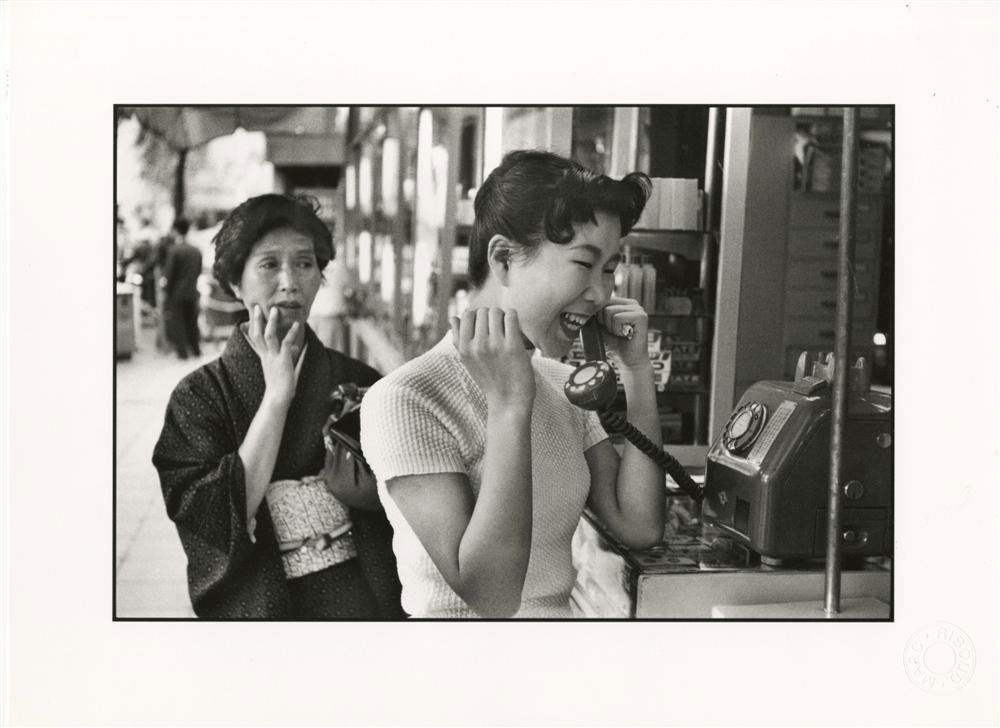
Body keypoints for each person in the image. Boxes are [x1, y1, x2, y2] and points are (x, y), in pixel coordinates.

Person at [360, 150, 665, 618]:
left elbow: (638, 525)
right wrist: (508, 405)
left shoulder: (561, 384)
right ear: (503, 259)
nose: (602, 293)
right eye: (584, 265)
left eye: (609, 269)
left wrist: (638, 372)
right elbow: (493, 597)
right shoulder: (406, 399)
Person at [153, 193, 403, 619]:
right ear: (235, 282)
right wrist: (276, 397)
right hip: (263, 600)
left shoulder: (360, 381)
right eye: (269, 265)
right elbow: (213, 520)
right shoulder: (198, 396)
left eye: (305, 264)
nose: (290, 281)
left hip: (362, 596)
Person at [162, 217, 203, 359]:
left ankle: (182, 353)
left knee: (178, 322)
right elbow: (198, 271)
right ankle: (196, 350)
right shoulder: (196, 250)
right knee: (192, 321)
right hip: (192, 291)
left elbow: (169, 275)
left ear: (175, 230)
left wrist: (166, 292)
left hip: (177, 293)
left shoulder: (174, 250)